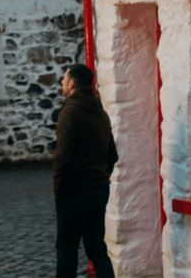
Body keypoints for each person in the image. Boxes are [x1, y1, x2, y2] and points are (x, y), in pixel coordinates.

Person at [54, 64, 118, 278]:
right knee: (96, 246)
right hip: (98, 189)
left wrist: (59, 187)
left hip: (75, 190)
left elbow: (63, 157)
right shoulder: (101, 113)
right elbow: (112, 155)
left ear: (72, 84)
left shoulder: (69, 113)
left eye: (64, 79)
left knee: (66, 247)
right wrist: (100, 176)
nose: (62, 82)